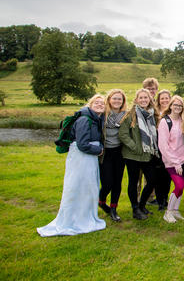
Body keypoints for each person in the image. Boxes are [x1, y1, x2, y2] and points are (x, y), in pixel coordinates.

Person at [37, 94, 106, 236]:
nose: (100, 105)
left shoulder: (95, 119)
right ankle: (73, 220)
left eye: (102, 103)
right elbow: (82, 144)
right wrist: (99, 150)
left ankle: (85, 216)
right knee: (78, 186)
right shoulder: (84, 119)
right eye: (97, 103)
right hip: (82, 158)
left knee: (88, 187)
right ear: (90, 104)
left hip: (89, 158)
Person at [119, 88, 160, 220]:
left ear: (150, 99)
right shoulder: (130, 115)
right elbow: (123, 134)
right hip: (132, 155)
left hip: (147, 155)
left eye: (145, 98)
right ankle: (135, 209)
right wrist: (134, 146)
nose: (143, 100)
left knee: (152, 180)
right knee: (133, 181)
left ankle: (142, 205)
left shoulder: (152, 114)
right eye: (141, 98)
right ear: (136, 99)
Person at [158, 96, 184, 223]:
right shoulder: (165, 122)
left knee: (182, 188)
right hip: (172, 160)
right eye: (175, 105)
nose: (177, 108)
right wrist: (176, 162)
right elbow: (163, 146)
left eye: (180, 106)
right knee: (179, 185)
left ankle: (176, 210)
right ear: (170, 106)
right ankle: (168, 212)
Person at [98, 89, 127, 222]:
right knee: (107, 183)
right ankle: (102, 201)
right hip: (105, 153)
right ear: (109, 100)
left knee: (117, 182)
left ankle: (114, 209)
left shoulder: (125, 116)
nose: (117, 101)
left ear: (123, 101)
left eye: (119, 99)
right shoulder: (102, 115)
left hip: (119, 152)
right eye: (114, 98)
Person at [154, 90, 173, 211]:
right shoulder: (154, 114)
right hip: (157, 148)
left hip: (170, 149)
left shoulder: (173, 113)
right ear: (158, 100)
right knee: (158, 176)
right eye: (162, 98)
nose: (165, 100)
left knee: (167, 176)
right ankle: (160, 201)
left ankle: (165, 199)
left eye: (167, 98)